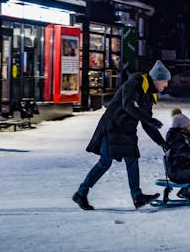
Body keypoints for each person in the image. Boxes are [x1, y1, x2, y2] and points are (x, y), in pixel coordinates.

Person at [73, 60, 172, 210]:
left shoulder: (149, 94)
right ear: (157, 79)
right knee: (105, 162)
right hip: (113, 127)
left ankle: (137, 196)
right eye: (164, 81)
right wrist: (149, 120)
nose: (166, 85)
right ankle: (81, 193)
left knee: (132, 160)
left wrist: (161, 142)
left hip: (127, 131)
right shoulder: (135, 83)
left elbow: (146, 123)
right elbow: (128, 105)